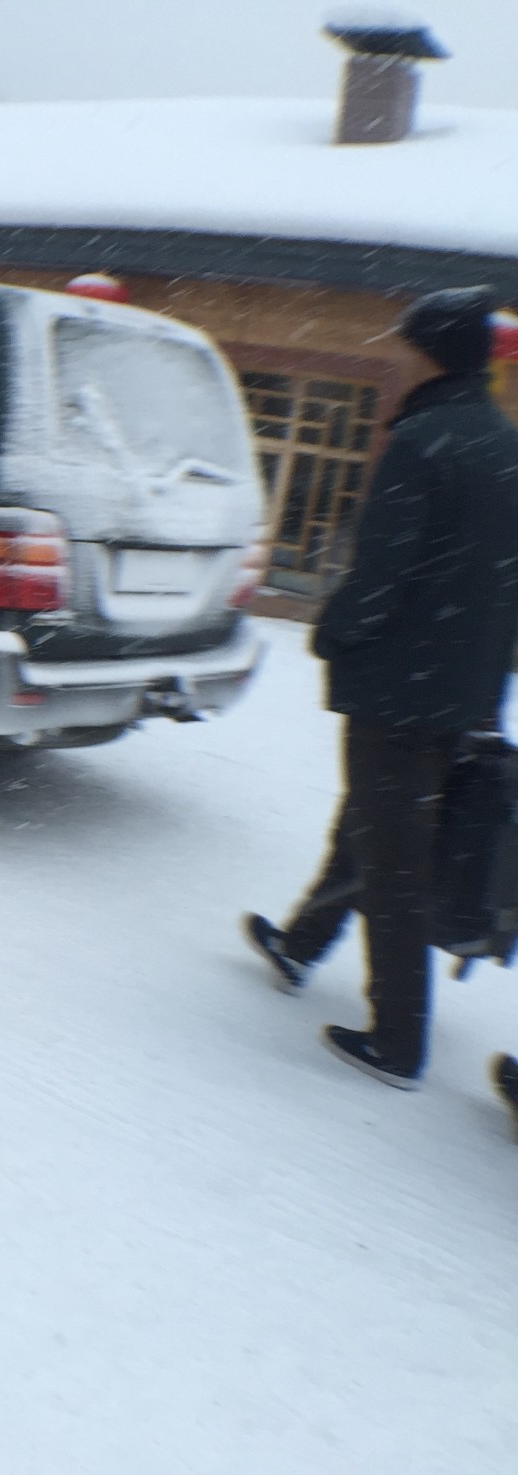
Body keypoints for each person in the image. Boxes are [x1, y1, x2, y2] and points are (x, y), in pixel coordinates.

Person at [244, 285, 518, 1092]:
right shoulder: (504, 445)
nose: (396, 354)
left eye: (405, 342)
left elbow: (380, 576)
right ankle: (300, 945)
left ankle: (398, 1040)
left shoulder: (422, 441)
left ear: (428, 350)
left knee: (394, 858)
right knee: (372, 821)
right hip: (460, 691)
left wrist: (333, 633)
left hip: (398, 687)